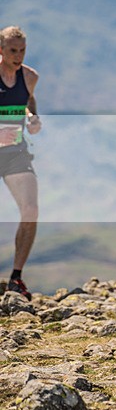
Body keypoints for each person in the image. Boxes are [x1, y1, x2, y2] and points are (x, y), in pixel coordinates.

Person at [0, 26, 41, 301]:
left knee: (31, 209)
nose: (18, 56)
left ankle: (16, 278)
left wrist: (32, 119)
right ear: (1, 50)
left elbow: (29, 102)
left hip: (14, 152)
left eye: (22, 50)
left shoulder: (30, 76)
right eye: (12, 50)